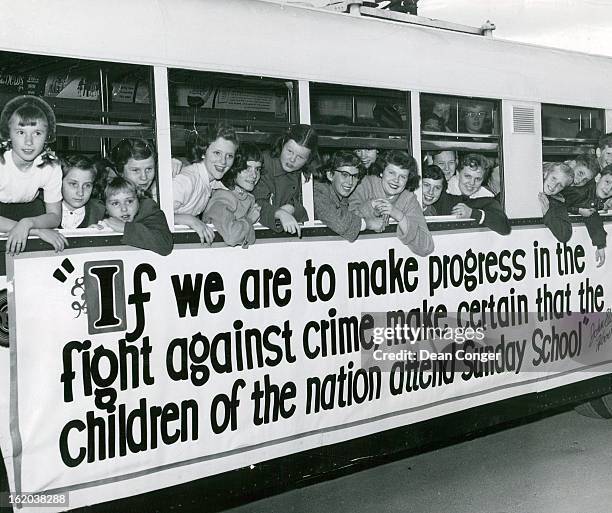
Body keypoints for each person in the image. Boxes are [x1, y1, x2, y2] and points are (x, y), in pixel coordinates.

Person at [0, 95, 67, 254]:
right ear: (8, 134)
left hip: (29, 214)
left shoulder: (51, 165)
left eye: (37, 133)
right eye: (21, 132)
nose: (29, 142)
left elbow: (55, 216)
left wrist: (28, 223)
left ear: (47, 136)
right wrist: (34, 231)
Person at [349, 150, 434, 256]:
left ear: (408, 180)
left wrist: (399, 215)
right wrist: (370, 206)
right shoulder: (364, 185)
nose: (396, 180)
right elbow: (346, 223)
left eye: (403, 177)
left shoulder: (408, 198)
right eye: (391, 173)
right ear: (381, 172)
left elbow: (426, 247)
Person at [173, 125, 239, 244]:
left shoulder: (212, 180)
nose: (223, 162)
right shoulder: (186, 180)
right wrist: (191, 220)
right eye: (217, 153)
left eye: (229, 156)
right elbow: (154, 217)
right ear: (203, 152)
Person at [253, 124, 318, 237]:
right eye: (289, 151)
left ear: (308, 160)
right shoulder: (263, 164)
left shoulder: (306, 174)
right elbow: (255, 203)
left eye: (300, 157)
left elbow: (311, 209)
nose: (292, 159)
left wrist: (292, 208)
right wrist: (280, 214)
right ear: (283, 143)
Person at [92, 176, 173, 256]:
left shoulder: (149, 210)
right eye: (115, 203)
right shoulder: (98, 215)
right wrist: (93, 232)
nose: (124, 209)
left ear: (138, 199)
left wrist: (125, 228)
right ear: (105, 207)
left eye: (129, 201)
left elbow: (164, 244)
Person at [203, 144, 263, 248]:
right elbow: (231, 237)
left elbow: (249, 240)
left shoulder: (248, 198)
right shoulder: (223, 196)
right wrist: (249, 220)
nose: (254, 175)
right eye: (247, 168)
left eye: (257, 169)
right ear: (233, 169)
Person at [313, 151, 382, 241]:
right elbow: (338, 221)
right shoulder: (318, 191)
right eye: (345, 175)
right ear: (330, 175)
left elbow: (352, 215)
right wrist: (368, 224)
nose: (350, 182)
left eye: (355, 176)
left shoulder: (343, 196)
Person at [435, 153, 510, 235]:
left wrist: (472, 213)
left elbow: (505, 227)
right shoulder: (441, 192)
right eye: (467, 176)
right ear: (458, 174)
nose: (471, 183)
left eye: (477, 179)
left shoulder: (486, 198)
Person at [563, 165, 612, 267]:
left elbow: (593, 217)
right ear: (598, 178)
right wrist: (579, 210)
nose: (608, 189)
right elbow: (561, 204)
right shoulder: (581, 191)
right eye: (607, 182)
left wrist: (600, 246)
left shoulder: (595, 194)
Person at [60, 154, 105, 229]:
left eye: (87, 185)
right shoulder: (43, 210)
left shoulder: (99, 212)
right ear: (59, 182)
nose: (80, 193)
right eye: (73, 184)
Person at [538, 162, 574, 243]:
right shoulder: (529, 185)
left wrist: (548, 213)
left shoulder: (558, 203)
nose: (554, 186)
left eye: (560, 185)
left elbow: (565, 235)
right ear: (546, 174)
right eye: (553, 178)